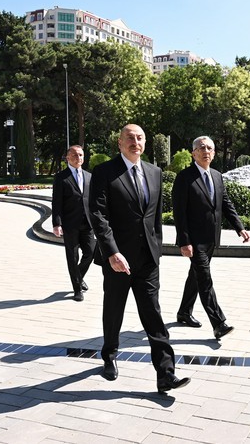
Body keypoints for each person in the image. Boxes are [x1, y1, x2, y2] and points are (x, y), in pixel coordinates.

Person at [88, 124, 190, 394]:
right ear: (120, 143)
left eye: (140, 138)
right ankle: (109, 354)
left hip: (146, 260)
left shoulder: (155, 173)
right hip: (117, 260)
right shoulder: (104, 172)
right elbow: (98, 215)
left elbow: (153, 217)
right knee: (114, 311)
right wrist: (111, 251)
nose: (136, 142)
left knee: (153, 316)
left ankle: (166, 374)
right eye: (130, 138)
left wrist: (156, 249)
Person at [172, 136, 250, 340]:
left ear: (214, 153)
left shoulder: (216, 175)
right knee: (205, 280)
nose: (206, 151)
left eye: (210, 148)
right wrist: (184, 241)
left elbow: (225, 203)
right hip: (194, 241)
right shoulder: (184, 177)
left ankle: (183, 312)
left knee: (196, 276)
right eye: (201, 148)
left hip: (212, 239)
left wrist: (239, 227)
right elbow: (179, 213)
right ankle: (219, 323)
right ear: (193, 153)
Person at [51, 145, 96, 302]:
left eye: (81, 155)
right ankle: (77, 289)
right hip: (70, 224)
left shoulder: (89, 176)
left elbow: (93, 201)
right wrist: (57, 224)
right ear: (68, 158)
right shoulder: (61, 177)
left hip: (88, 223)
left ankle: (78, 276)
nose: (79, 158)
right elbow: (56, 202)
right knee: (73, 256)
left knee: (90, 253)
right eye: (75, 155)